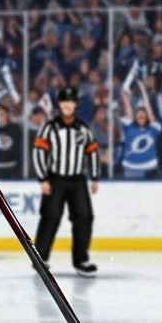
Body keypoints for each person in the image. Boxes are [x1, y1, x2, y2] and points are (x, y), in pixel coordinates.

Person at [32, 85, 100, 276]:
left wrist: (94, 177)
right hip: (56, 179)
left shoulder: (83, 129)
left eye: (71, 102)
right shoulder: (49, 128)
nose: (68, 105)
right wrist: (43, 178)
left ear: (76, 104)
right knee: (50, 217)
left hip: (78, 180)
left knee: (84, 218)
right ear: (59, 104)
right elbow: (38, 153)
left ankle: (81, 261)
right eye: (64, 102)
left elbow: (92, 152)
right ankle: (40, 260)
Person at [119, 82, 162, 180]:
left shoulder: (153, 129)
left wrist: (144, 92)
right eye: (138, 113)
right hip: (131, 168)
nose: (141, 115)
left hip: (150, 167)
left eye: (143, 113)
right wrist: (126, 99)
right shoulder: (129, 127)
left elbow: (150, 113)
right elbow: (128, 111)